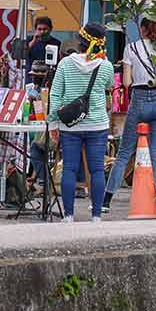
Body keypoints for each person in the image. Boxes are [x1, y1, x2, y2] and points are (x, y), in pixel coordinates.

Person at [48, 22, 114, 223]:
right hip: (97, 125)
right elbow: (109, 85)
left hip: (71, 126)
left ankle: (68, 215)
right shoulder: (106, 65)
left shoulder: (65, 64)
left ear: (79, 41)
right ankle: (96, 216)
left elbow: (55, 95)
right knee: (96, 170)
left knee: (69, 168)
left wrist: (53, 124)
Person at [105, 16, 156, 214]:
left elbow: (126, 82)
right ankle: (153, 200)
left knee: (124, 153)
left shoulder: (131, 48)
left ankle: (106, 200)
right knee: (155, 153)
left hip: (139, 99)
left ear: (142, 29)